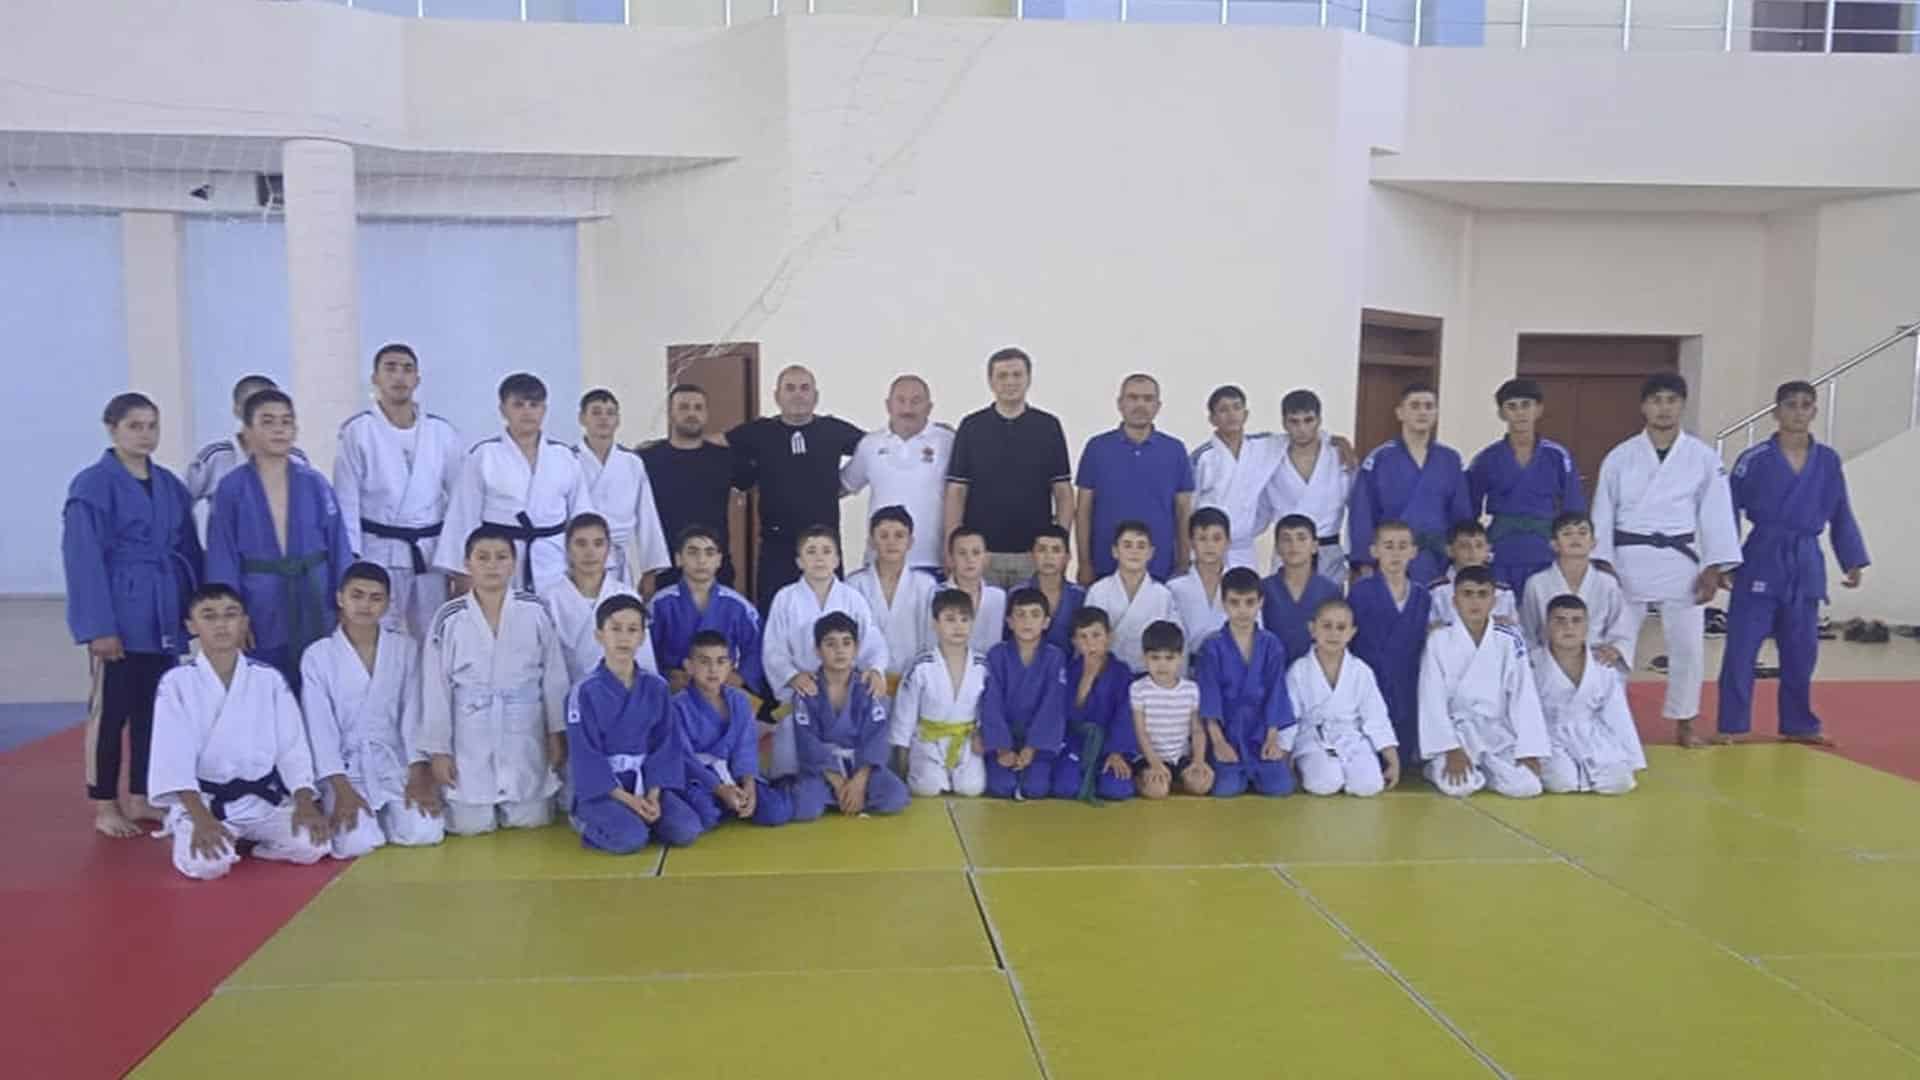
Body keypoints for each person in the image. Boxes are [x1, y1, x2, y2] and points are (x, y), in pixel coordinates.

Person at [63, 392, 203, 838]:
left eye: (151, 426)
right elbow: (83, 560)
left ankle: (142, 795)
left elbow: (188, 549)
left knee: (154, 711)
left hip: (163, 612)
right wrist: (98, 627)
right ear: (112, 429)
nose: (145, 435)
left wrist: (195, 606)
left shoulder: (170, 485)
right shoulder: (92, 486)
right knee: (111, 713)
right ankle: (105, 803)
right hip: (121, 613)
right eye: (134, 426)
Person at [1590, 373, 1741, 748]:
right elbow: (1603, 512)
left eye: (1671, 400)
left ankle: (1685, 723)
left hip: (1680, 560)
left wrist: (1713, 567)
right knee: (1617, 644)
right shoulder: (1620, 457)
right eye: (1656, 400)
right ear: (1644, 407)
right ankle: (1608, 721)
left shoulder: (1703, 457)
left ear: (1682, 405)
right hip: (1628, 558)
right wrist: (1602, 563)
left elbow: (1716, 513)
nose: (1664, 408)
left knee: (1688, 646)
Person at [1715, 380, 1869, 746]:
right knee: (1742, 647)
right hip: (1762, 556)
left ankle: (1799, 723)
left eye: (1805, 405)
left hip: (1805, 561)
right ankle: (1732, 724)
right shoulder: (1753, 460)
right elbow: (1725, 511)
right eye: (1790, 405)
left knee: (1801, 650)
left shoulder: (1828, 460)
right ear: (1776, 412)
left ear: (1814, 411)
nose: (1798, 412)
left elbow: (1840, 511)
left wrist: (1852, 559)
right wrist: (1724, 560)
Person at [146, 584, 329, 880]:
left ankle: (257, 846)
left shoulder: (268, 679)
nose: (221, 624)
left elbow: (292, 747)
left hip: (262, 801)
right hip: (206, 802)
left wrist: (305, 802)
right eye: (209, 616)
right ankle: (191, 827)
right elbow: (173, 758)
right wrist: (201, 818)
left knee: (315, 845)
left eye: (230, 615)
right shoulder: (176, 683)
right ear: (191, 626)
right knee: (207, 866)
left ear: (244, 622)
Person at [419, 526, 571, 836]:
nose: (492, 565)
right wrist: (438, 750)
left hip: (524, 727)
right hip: (471, 733)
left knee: (531, 820)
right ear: (467, 564)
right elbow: (436, 687)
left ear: (514, 563)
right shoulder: (449, 617)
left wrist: (556, 732)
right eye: (483, 557)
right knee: (470, 825)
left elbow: (554, 677)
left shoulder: (535, 610)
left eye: (501, 557)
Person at [205, 389, 354, 694]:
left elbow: (339, 544)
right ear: (247, 431)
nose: (279, 429)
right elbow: (222, 556)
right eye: (268, 421)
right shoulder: (231, 488)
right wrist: (231, 614)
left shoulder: (314, 483)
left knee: (317, 684)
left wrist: (344, 599)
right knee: (263, 685)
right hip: (260, 601)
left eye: (286, 421)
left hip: (314, 596)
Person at [298, 562, 445, 858]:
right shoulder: (318, 655)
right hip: (346, 769)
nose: (365, 605)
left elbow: (413, 713)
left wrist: (419, 772)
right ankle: (368, 819)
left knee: (425, 832)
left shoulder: (405, 648)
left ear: (388, 603)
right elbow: (319, 727)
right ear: (340, 598)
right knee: (356, 843)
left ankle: (389, 818)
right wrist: (340, 787)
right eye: (357, 595)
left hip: (395, 763)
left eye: (376, 598)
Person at [332, 344, 462, 641]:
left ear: (417, 379)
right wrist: (351, 563)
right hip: (377, 550)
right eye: (390, 368)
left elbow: (460, 501)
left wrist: (456, 560)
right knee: (379, 632)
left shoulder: (442, 432)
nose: (399, 376)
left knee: (433, 634)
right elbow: (346, 502)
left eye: (407, 369)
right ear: (375, 378)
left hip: (429, 553)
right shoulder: (358, 431)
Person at [563, 594, 702, 854]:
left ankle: (638, 819)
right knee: (631, 839)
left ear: (642, 637)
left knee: (686, 830)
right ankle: (587, 822)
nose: (624, 638)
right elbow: (586, 756)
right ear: (599, 635)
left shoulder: (657, 687)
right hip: (604, 790)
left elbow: (665, 746)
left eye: (632, 630)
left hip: (646, 782)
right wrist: (628, 800)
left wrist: (653, 796)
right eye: (615, 629)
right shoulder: (583, 692)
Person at [435, 373, 596, 595]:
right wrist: (462, 572)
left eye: (534, 405)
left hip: (553, 560)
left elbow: (582, 516)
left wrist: (587, 565)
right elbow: (463, 516)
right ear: (503, 410)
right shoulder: (484, 455)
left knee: (555, 614)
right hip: (496, 560)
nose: (527, 412)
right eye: (518, 405)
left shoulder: (565, 457)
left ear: (544, 410)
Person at [728, 365, 864, 611]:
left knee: (830, 617)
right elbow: (715, 444)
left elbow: (875, 448)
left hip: (824, 546)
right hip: (777, 547)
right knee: (774, 614)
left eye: (804, 388)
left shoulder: (832, 430)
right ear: (777, 396)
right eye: (790, 388)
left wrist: (847, 484)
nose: (798, 394)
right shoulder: (759, 431)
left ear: (815, 395)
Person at [762, 525, 890, 777]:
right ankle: (796, 784)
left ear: (837, 560)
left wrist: (875, 669)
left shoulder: (852, 598)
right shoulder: (785, 598)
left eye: (826, 551)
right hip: (803, 693)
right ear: (799, 561)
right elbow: (773, 648)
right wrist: (792, 676)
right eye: (811, 551)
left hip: (843, 691)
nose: (819, 558)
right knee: (790, 764)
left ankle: (856, 780)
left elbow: (871, 640)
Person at [945, 347, 1076, 589]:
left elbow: (1063, 493)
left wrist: (1060, 546)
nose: (1010, 382)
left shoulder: (1048, 427)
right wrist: (952, 547)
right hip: (980, 555)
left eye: (1017, 375)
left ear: (1029, 378)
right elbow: (956, 492)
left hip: (1033, 555)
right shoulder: (972, 427)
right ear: (990, 381)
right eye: (1002, 376)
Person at [1417, 567, 1550, 798]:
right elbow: (1431, 697)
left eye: (1482, 594)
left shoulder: (1509, 639)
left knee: (1528, 786)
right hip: (1458, 732)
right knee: (1459, 786)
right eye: (1467, 594)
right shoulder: (1438, 640)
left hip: (1497, 733)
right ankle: (1437, 765)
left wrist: (1529, 750)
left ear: (1493, 601)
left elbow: (1523, 695)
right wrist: (1450, 748)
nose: (1475, 601)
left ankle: (1487, 769)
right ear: (1455, 601)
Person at [789, 612, 912, 819]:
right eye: (831, 644)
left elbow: (876, 737)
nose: (840, 650)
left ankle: (849, 797)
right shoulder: (807, 689)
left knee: (895, 796)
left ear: (856, 649)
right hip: (824, 771)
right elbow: (807, 741)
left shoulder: (867, 686)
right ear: (817, 650)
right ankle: (844, 797)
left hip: (862, 766)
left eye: (846, 643)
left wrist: (859, 782)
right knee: (805, 805)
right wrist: (838, 782)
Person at [1468, 379, 1585, 595]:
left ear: (1539, 409)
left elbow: (1574, 510)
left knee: (1545, 611)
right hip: (1501, 550)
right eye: (1512, 406)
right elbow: (1468, 512)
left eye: (1526, 405)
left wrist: (1572, 554)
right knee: (1502, 611)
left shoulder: (1557, 456)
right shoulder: (1486, 458)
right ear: (1501, 413)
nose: (1520, 413)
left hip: (1545, 551)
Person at [1075, 373, 1194, 584]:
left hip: (1160, 567)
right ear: (1120, 404)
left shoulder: (1174, 450)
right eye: (1133, 398)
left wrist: (1184, 562)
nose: (1140, 405)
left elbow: (1183, 512)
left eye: (1148, 399)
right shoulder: (1097, 448)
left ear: (1158, 406)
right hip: (1105, 565)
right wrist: (1084, 563)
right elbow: (1083, 511)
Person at [1349, 382, 1471, 586]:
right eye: (1415, 406)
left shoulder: (1450, 459)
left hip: (1438, 559)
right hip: (1391, 559)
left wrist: (1463, 556)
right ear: (1400, 413)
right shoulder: (1380, 459)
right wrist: (1365, 563)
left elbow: (1461, 513)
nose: (1422, 412)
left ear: (1436, 413)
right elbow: (1362, 513)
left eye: (1429, 406)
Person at [673, 631, 792, 830]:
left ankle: (738, 800)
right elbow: (685, 758)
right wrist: (720, 789)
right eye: (704, 662)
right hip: (700, 779)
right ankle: (725, 803)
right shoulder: (678, 706)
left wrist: (749, 785)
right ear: (689, 666)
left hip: (734, 773)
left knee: (777, 811)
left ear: (730, 666)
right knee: (706, 815)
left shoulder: (739, 700)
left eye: (721, 662)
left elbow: (746, 748)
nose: (713, 669)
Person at [1193, 568, 1295, 798]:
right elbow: (1209, 697)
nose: (1242, 610)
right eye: (1234, 603)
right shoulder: (1211, 647)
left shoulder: (1271, 645)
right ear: (1223, 604)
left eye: (1249, 602)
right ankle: (1239, 773)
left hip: (1259, 733)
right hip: (1226, 732)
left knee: (1280, 787)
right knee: (1225, 789)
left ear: (1261, 602)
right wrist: (1218, 742)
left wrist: (1272, 738)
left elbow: (1276, 693)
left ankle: (1255, 772)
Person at [1287, 597, 1400, 797]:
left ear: (1352, 633)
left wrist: (1392, 760)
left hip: (1351, 738)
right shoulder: (1299, 670)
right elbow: (1289, 719)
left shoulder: (1360, 671)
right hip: (1312, 739)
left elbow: (1376, 717)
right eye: (1327, 626)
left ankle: (1345, 769)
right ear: (1312, 629)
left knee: (1369, 786)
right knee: (1325, 783)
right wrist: (1286, 759)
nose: (1334, 634)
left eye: (1341, 627)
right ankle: (1317, 769)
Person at [841, 374, 953, 572]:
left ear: (929, 407)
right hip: (879, 563)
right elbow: (843, 486)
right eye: (901, 400)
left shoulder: (948, 442)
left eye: (916, 401)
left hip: (932, 562)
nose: (907, 408)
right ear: (888, 405)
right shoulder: (870, 444)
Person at [1534, 595, 1644, 794]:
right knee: (1561, 783)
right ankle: (1571, 773)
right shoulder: (1531, 663)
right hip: (1547, 734)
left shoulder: (1602, 666)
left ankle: (1587, 771)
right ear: (1547, 626)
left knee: (1620, 782)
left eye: (1576, 621)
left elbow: (1618, 715)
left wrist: (1632, 757)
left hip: (1590, 733)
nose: (1568, 627)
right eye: (1560, 620)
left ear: (1586, 627)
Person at [1348, 520, 1432, 765]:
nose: (1396, 553)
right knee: (1371, 755)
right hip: (1371, 680)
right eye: (1388, 546)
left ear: (1413, 552)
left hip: (1408, 682)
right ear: (1374, 551)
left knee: (1404, 758)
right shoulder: (1360, 592)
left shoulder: (1422, 596)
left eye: (1402, 546)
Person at [539, 514, 658, 685]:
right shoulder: (549, 599)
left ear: (608, 549)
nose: (590, 552)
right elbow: (547, 663)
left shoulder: (628, 595)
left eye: (598, 543)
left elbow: (644, 658)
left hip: (621, 689)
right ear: (567, 548)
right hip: (568, 690)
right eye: (581, 544)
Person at [891, 589, 989, 797]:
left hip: (966, 741)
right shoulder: (921, 666)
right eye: (950, 619)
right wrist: (902, 761)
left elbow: (988, 708)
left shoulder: (982, 666)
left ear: (972, 623)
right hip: (928, 741)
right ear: (935, 624)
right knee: (927, 787)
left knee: (972, 788)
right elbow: (905, 716)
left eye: (964, 619)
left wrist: (981, 733)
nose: (958, 626)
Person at [638, 384, 737, 588]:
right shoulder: (647, 459)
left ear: (706, 414)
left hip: (714, 565)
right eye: (683, 407)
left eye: (698, 407)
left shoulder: (725, 458)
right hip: (664, 567)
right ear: (670, 413)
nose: (692, 413)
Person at [185, 374, 309, 537]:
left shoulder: (296, 459)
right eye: (253, 405)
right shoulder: (216, 457)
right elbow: (181, 504)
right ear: (237, 410)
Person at [574, 389, 671, 594]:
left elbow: (647, 515)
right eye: (596, 412)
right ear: (582, 418)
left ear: (618, 420)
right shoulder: (568, 459)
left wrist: (650, 569)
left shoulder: (632, 462)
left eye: (610, 413)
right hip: (579, 555)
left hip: (619, 554)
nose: (604, 418)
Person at [649, 525, 763, 695]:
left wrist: (740, 677)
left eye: (709, 553)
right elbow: (646, 651)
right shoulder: (660, 604)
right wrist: (665, 677)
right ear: (678, 559)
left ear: (719, 560)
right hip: (674, 690)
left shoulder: (739, 606)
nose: (701, 560)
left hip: (724, 688)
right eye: (693, 553)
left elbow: (757, 649)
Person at [980, 587, 1068, 800]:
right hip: (1003, 739)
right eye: (1020, 615)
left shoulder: (1055, 657)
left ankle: (1035, 759)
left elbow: (1053, 706)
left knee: (1036, 788)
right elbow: (991, 703)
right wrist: (1002, 748)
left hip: (1039, 742)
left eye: (1035, 615)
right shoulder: (996, 655)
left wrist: (1032, 747)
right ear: (1009, 622)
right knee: (1001, 786)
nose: (1027, 622)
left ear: (1046, 622)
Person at [1518, 512, 1632, 669]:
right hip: (1549, 662)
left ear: (1593, 543)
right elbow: (1527, 630)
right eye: (1567, 533)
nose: (1575, 538)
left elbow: (1621, 628)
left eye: (1582, 533)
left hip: (1596, 660)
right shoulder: (1536, 583)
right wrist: (1535, 659)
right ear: (1554, 544)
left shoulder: (1607, 583)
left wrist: (1615, 649)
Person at [1263, 390, 1354, 584]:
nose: (1302, 428)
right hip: (1287, 550)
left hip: (1328, 552)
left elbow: (1357, 507)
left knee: (1329, 603)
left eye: (1308, 420)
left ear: (1319, 420)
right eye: (1294, 422)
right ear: (1284, 423)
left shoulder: (1338, 456)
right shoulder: (1270, 453)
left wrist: (1355, 557)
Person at [844, 506, 937, 696]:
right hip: (865, 682)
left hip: (913, 683)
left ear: (910, 542)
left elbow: (932, 638)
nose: (891, 542)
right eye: (883, 536)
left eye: (899, 536)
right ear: (871, 542)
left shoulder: (925, 585)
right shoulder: (854, 584)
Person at [1190, 385, 1284, 571]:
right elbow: (1187, 506)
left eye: (1236, 407)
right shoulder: (1203, 457)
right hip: (1208, 547)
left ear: (1245, 414)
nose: (1231, 414)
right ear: (1212, 419)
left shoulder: (1264, 446)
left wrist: (1336, 441)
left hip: (1244, 548)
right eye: (1223, 410)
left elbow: (1302, 437)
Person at [1054, 607, 1138, 803]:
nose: (1090, 643)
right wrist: (1087, 678)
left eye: (1096, 635)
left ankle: (1102, 775)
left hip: (1110, 745)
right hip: (1077, 744)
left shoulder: (1122, 672)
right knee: (1065, 788)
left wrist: (1116, 751)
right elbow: (1069, 714)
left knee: (1117, 789)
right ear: (1074, 642)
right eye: (1082, 637)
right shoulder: (1069, 671)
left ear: (1109, 637)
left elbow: (1125, 716)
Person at [1085, 521, 1182, 674]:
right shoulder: (1098, 591)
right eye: (1127, 545)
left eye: (1141, 546)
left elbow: (1176, 643)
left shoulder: (1163, 595)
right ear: (1115, 551)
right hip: (1106, 673)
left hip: (1151, 675)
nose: (1134, 552)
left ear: (1151, 553)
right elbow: (1086, 638)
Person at [1130, 620, 1212, 798]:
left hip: (1179, 758)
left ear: (1180, 657)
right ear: (1144, 658)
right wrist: (1155, 764)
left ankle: (1174, 779)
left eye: (1169, 658)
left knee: (1202, 785)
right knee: (1157, 791)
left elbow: (1197, 730)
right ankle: (1140, 779)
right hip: (1148, 758)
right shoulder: (1138, 689)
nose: (1162, 665)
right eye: (1155, 658)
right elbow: (1140, 732)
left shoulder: (1191, 689)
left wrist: (1198, 761)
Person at [1260, 514, 1343, 668]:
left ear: (1315, 546)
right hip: (1272, 672)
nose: (1294, 545)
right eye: (1286, 539)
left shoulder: (1330, 591)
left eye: (1301, 538)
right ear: (1277, 547)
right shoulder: (1263, 589)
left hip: (1315, 674)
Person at [1427, 521, 1519, 629]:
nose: (1472, 551)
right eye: (1464, 546)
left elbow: (1515, 632)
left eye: (1479, 546)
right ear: (1450, 550)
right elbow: (1428, 631)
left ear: (1488, 550)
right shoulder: (1435, 592)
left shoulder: (1503, 593)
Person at [1168, 507, 1235, 651]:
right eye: (1202, 538)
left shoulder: (1239, 583)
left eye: (1216, 539)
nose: (1209, 545)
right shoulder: (1175, 587)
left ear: (1228, 542)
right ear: (1191, 542)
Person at [943, 526, 1008, 655]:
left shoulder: (998, 597)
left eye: (976, 553)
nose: (970, 559)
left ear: (986, 558)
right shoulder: (935, 595)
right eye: (962, 553)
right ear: (951, 559)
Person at [1021, 524, 1085, 655]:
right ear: (1031, 555)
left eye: (1056, 550)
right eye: (1042, 549)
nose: (1048, 556)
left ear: (1067, 558)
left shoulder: (1080, 596)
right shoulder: (1017, 593)